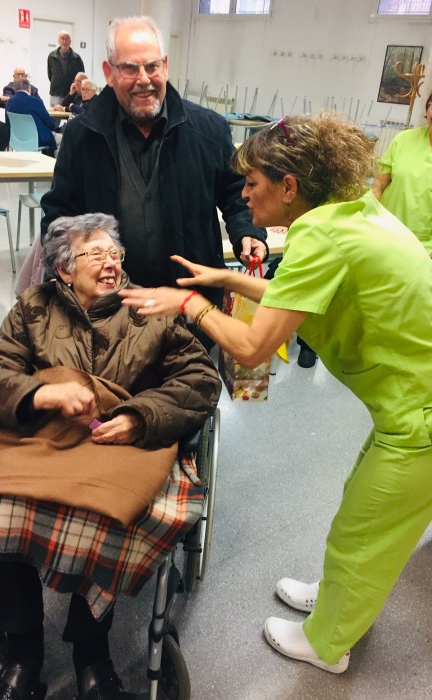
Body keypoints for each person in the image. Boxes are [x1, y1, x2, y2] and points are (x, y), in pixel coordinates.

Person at [120, 114, 432, 674]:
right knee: (361, 506)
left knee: (366, 529)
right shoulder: (352, 212)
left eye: (252, 183)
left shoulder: (321, 236)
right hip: (411, 407)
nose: (243, 195)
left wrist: (190, 304)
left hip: (421, 418)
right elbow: (297, 292)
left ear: (289, 186)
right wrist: (225, 278)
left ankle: (328, 644)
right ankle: (339, 598)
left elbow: (252, 347)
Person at [0, 212, 220, 700]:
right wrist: (40, 393)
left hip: (119, 443)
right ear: (64, 270)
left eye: (115, 253)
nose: (111, 263)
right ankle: (22, 655)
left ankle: (92, 655)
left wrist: (140, 415)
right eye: (95, 254)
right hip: (46, 440)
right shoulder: (34, 308)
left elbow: (200, 380)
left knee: (109, 519)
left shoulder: (152, 309)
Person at [39, 15, 267, 320]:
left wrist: (248, 231)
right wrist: (64, 277)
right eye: (130, 68)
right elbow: (60, 213)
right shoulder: (83, 135)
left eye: (152, 66)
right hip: (110, 313)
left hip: (191, 309)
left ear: (166, 66)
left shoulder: (209, 130)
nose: (144, 79)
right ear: (108, 73)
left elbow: (236, 190)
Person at [372, 91, 432, 254]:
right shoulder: (404, 139)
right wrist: (368, 219)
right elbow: (379, 185)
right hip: (384, 232)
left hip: (423, 248)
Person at [6, 78, 57, 156]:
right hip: (39, 140)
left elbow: (8, 125)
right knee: (62, 139)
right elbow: (51, 124)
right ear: (28, 88)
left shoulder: (9, 103)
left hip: (17, 140)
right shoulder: (36, 101)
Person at [48, 30, 85, 106]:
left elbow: (82, 76)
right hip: (56, 94)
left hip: (72, 94)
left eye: (67, 39)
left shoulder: (77, 58)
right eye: (62, 38)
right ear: (58, 41)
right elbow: (50, 75)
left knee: (70, 112)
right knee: (55, 113)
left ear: (70, 41)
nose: (65, 41)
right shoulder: (51, 56)